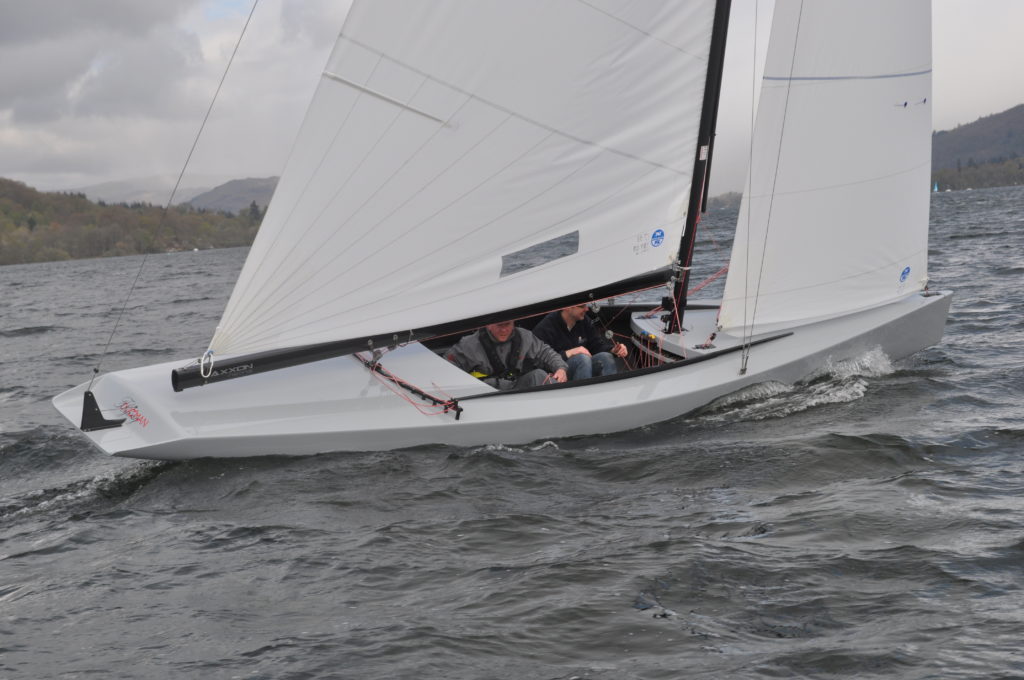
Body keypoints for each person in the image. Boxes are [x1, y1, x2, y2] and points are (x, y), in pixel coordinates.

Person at [445, 320, 568, 391]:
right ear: (488, 325)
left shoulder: (525, 337)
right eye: (499, 325)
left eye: (507, 324)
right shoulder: (469, 345)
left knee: (539, 374)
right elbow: (446, 366)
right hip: (485, 393)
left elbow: (545, 352)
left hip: (515, 387)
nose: (504, 330)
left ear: (513, 323)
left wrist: (560, 368)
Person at [532, 303, 628, 380]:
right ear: (567, 307)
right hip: (557, 374)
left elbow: (596, 346)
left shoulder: (584, 320)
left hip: (583, 366)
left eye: (586, 305)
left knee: (606, 357)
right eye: (582, 306)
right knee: (582, 359)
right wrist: (569, 353)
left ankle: (609, 395)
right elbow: (538, 363)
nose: (587, 309)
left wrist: (613, 350)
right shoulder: (545, 328)